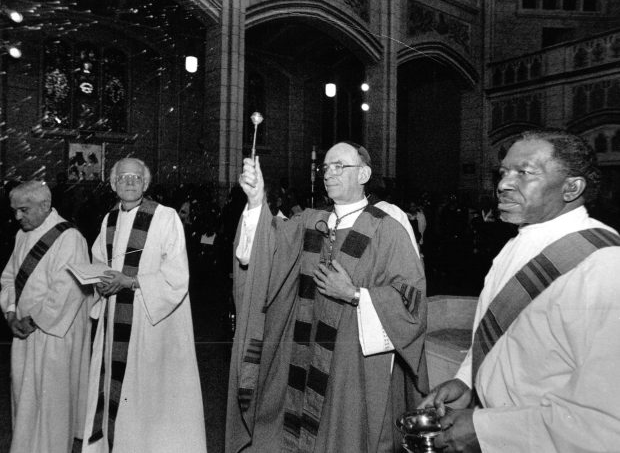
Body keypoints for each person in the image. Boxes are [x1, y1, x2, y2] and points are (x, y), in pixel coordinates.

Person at [420, 129, 620, 452]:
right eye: (503, 173)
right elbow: (505, 337)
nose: (503, 184)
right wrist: (467, 381)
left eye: (524, 173)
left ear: (572, 187)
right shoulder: (517, 244)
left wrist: (485, 429)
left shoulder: (604, 266)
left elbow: (605, 421)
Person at [226, 142, 428, 452]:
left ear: (363, 174)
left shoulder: (386, 230)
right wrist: (256, 201)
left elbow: (411, 302)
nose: (329, 173)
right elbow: (267, 251)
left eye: (339, 166)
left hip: (352, 366)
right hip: (303, 359)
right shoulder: (310, 222)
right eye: (326, 168)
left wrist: (356, 295)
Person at [81, 158, 207, 453]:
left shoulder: (166, 217)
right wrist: (101, 283)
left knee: (151, 398)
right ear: (112, 184)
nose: (129, 182)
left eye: (136, 178)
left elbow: (177, 275)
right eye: (122, 177)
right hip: (118, 321)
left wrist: (130, 282)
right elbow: (99, 262)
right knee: (118, 389)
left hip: (153, 322)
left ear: (146, 184)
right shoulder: (108, 220)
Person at [0, 180, 91, 453]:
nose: (17, 217)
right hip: (23, 330)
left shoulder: (69, 238)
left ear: (45, 206)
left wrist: (33, 320)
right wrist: (11, 312)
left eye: (23, 210)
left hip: (53, 333)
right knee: (25, 398)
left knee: (52, 402)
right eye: (14, 210)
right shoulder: (22, 234)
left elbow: (67, 290)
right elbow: (9, 278)